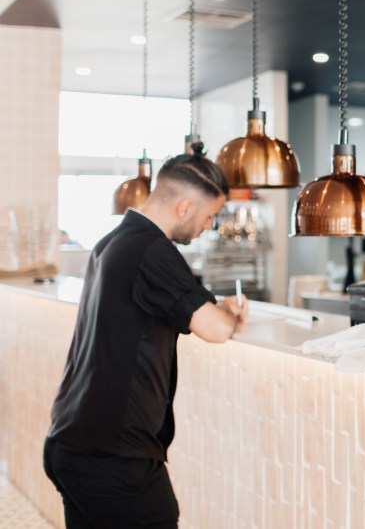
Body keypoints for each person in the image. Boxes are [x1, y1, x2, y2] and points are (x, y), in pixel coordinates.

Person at [43, 144, 248, 529]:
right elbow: (217, 329)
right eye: (210, 216)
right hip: (113, 460)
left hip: (70, 442)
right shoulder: (153, 250)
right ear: (184, 208)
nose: (209, 227)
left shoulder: (113, 241)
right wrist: (230, 314)